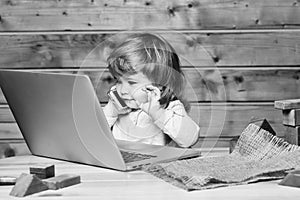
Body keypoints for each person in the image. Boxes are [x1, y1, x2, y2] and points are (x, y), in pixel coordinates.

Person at [103, 33, 200, 148]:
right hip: (121, 162)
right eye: (118, 81)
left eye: (132, 82)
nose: (122, 90)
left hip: (158, 165)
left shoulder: (170, 108)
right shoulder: (117, 107)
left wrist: (159, 114)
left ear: (159, 84)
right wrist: (110, 112)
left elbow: (189, 139)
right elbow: (91, 136)